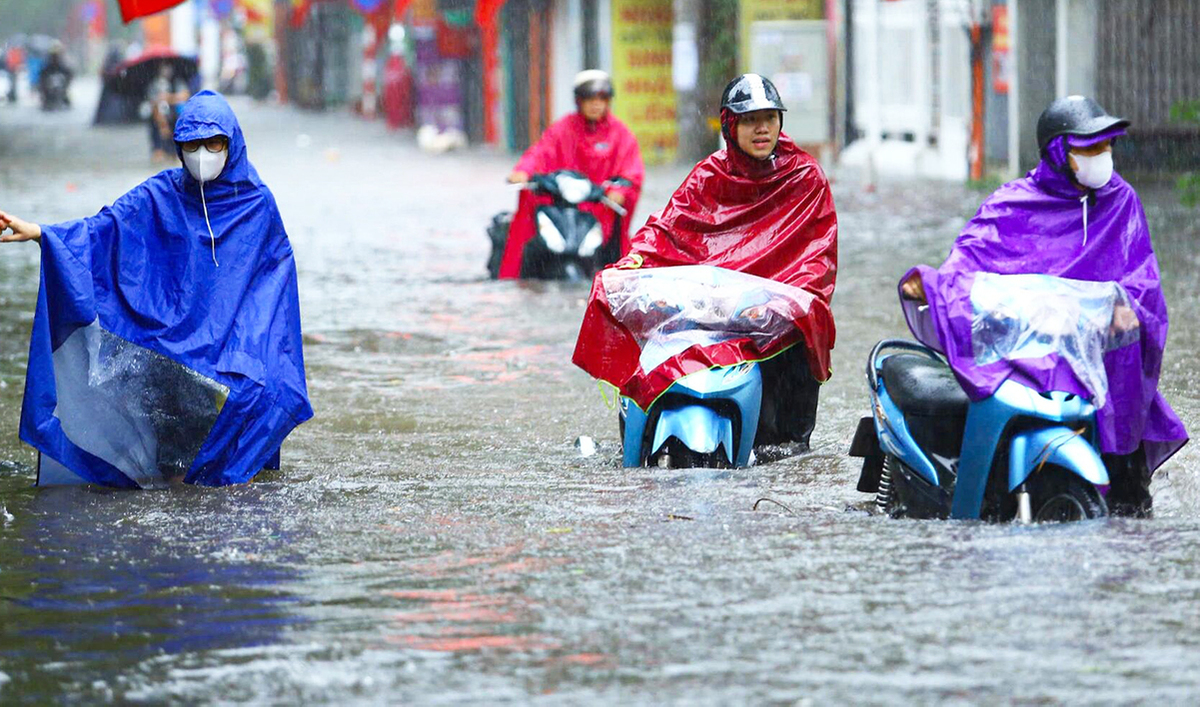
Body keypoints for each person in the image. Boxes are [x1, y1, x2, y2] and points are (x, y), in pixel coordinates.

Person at [0, 91, 312, 487]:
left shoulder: (257, 204)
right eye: (192, 145)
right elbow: (103, 231)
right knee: (173, 466)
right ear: (179, 148)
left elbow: (273, 288)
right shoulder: (159, 194)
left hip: (229, 351)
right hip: (168, 349)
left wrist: (249, 350)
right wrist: (41, 233)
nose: (202, 154)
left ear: (232, 144)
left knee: (258, 396)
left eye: (213, 143)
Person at [899, 95, 1188, 516]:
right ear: (1057, 153)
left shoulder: (1120, 201)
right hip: (1029, 353)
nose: (1102, 156)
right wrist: (933, 286)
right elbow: (966, 265)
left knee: (1131, 507)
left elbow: (1143, 279)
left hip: (1104, 362)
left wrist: (1129, 307)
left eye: (1106, 146)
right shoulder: (1011, 204)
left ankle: (1127, 500)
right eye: (1089, 147)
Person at [573, 73, 838, 449]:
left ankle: (789, 445)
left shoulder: (805, 177)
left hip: (770, 319)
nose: (762, 129)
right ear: (730, 125)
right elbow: (666, 230)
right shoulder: (708, 177)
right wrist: (634, 261)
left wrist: (789, 301)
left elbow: (817, 259)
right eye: (749, 120)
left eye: (769, 118)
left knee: (801, 334)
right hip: (712, 313)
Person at [497, 69, 644, 278]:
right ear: (579, 101)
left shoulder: (621, 135)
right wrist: (523, 172)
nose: (596, 104)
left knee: (617, 259)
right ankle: (519, 274)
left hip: (598, 211)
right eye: (590, 98)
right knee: (528, 241)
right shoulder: (563, 129)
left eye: (602, 98)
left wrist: (619, 191)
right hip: (561, 209)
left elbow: (632, 171)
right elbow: (539, 153)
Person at [148, 63, 190, 162]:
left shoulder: (177, 82)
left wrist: (169, 97)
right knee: (156, 124)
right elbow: (153, 102)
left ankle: (173, 151)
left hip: (174, 114)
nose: (166, 71)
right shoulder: (154, 84)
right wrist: (162, 123)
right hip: (159, 114)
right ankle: (159, 150)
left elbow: (185, 95)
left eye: (168, 68)